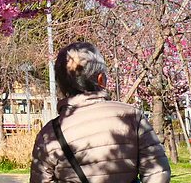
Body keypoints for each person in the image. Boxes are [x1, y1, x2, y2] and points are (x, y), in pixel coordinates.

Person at [30, 41, 171, 183]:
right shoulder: (132, 117)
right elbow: (157, 172)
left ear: (60, 86)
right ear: (101, 79)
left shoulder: (49, 133)